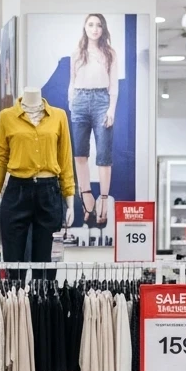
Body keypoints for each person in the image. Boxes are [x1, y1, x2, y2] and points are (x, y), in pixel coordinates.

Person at [69, 13, 118, 228]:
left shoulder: (109, 53)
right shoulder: (77, 53)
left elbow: (114, 84)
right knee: (80, 153)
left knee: (103, 154)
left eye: (98, 25)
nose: (95, 28)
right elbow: (72, 82)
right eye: (90, 24)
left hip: (101, 100)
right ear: (85, 28)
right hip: (79, 99)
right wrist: (71, 103)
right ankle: (86, 193)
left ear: (103, 28)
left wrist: (111, 110)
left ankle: (104, 199)